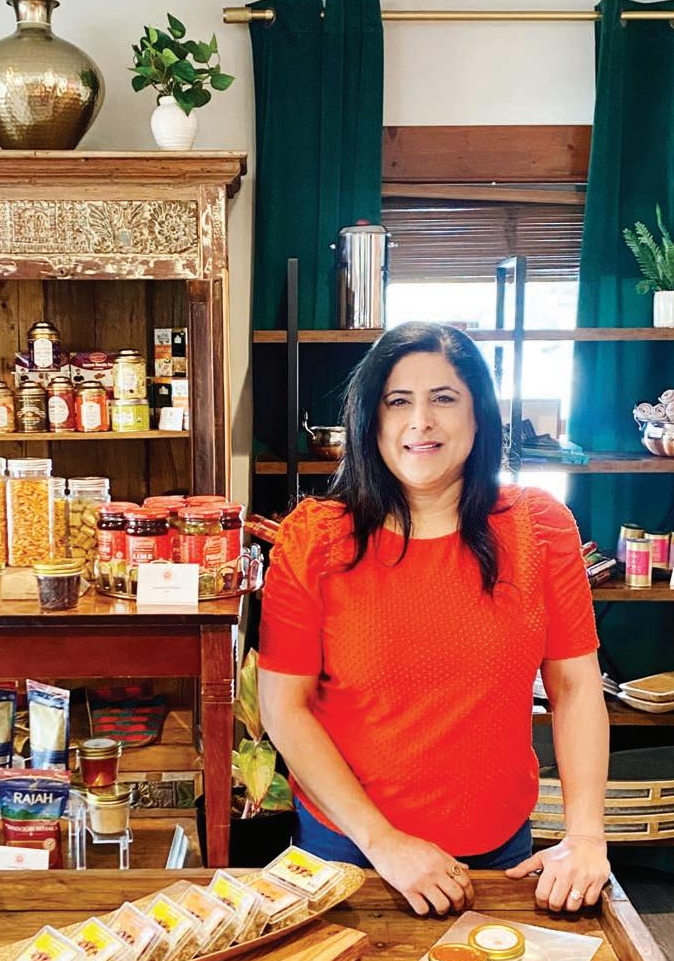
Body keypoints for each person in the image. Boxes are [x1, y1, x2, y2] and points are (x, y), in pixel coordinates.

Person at [258, 321, 610, 915]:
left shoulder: (541, 528)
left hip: (499, 849)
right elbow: (284, 709)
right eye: (398, 401)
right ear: (370, 420)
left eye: (444, 398)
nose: (421, 421)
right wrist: (384, 842)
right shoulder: (314, 538)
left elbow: (575, 689)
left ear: (478, 415)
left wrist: (586, 836)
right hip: (350, 850)